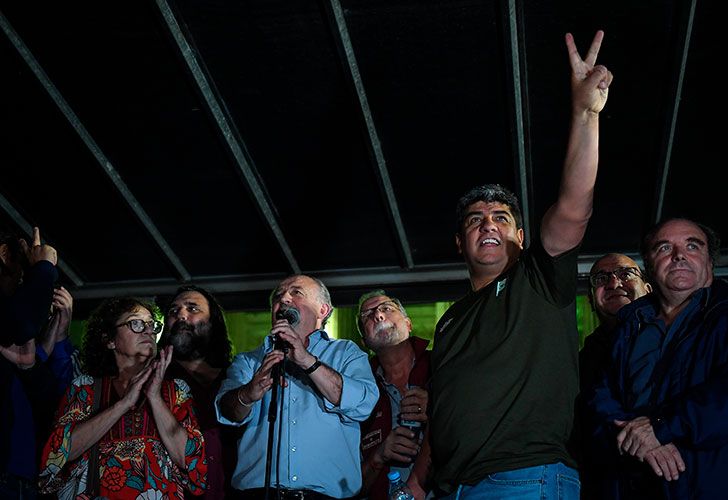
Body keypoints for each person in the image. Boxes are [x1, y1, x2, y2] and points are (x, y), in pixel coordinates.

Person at [428, 30, 613, 499]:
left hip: (524, 479)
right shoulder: (449, 321)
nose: (487, 223)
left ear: (521, 237)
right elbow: (447, 410)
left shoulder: (538, 277)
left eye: (501, 217)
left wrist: (584, 114)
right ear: (459, 242)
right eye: (475, 219)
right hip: (454, 488)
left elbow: (573, 208)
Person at [588, 218, 728, 499]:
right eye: (664, 248)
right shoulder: (629, 326)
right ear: (650, 267)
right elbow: (601, 399)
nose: (679, 255)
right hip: (632, 486)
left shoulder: (723, 316)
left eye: (692, 246)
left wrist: (660, 429)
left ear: (710, 263)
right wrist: (640, 438)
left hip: (708, 485)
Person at [216, 274, 379, 499]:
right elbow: (226, 412)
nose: (283, 299)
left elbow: (364, 403)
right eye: (278, 296)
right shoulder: (249, 361)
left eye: (296, 293)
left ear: (323, 310)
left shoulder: (346, 353)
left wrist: (307, 360)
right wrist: (248, 393)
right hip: (257, 494)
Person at [38, 296, 208, 498]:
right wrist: (123, 404)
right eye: (135, 323)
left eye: (152, 325)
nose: (147, 330)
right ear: (109, 340)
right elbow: (57, 454)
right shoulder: (85, 387)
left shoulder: (176, 390)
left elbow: (192, 462)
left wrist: (154, 398)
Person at [576, 254, 651, 499]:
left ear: (648, 288)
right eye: (601, 278)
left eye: (626, 273)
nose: (614, 283)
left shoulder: (681, 341)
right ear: (590, 300)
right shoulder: (581, 362)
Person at [160, 284, 241, 499]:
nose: (181, 316)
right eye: (173, 311)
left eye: (193, 309)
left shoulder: (235, 377)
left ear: (213, 323)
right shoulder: (155, 378)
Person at [0, 226, 62, 499]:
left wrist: (32, 367)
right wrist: (45, 267)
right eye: (25, 268)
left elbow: (52, 411)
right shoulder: (13, 321)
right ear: (5, 254)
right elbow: (22, 322)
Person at [356, 290, 431, 500]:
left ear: (408, 324)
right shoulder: (357, 391)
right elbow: (350, 488)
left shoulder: (442, 366)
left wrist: (439, 407)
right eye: (367, 315)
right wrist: (378, 456)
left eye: (386, 308)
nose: (378, 316)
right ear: (364, 341)